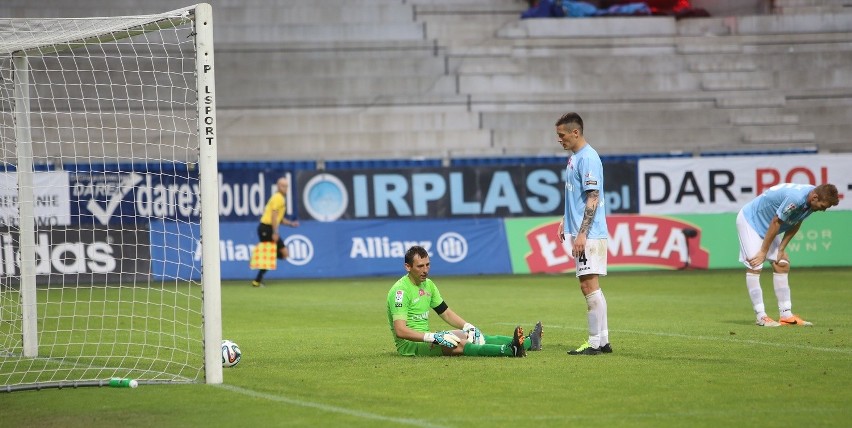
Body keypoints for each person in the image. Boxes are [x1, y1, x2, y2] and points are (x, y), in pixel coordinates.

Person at [386, 245, 542, 357]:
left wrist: (468, 326)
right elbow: (401, 331)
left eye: (427, 265)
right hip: (411, 346)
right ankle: (509, 350)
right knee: (459, 344)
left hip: (429, 338)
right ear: (407, 267)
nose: (425, 270)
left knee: (473, 336)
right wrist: (433, 337)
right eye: (420, 266)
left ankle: (530, 342)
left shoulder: (429, 285)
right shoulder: (400, 292)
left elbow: (445, 312)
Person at [736, 183, 839, 327]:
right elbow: (776, 222)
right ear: (815, 197)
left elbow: (796, 222)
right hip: (751, 221)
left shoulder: (811, 201)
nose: (823, 210)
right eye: (823, 206)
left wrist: (782, 248)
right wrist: (763, 252)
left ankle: (786, 314)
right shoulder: (796, 199)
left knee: (782, 264)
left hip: (767, 225)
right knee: (755, 264)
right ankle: (760, 316)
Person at [555, 112, 612, 356]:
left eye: (562, 135)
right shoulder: (576, 157)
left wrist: (581, 234)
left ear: (575, 132)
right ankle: (604, 340)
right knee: (591, 285)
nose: (559, 140)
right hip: (582, 230)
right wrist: (564, 220)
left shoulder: (588, 158)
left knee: (588, 286)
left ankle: (594, 342)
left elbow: (593, 197)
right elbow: (576, 196)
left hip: (588, 234)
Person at [251, 177, 299, 287]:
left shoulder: (279, 198)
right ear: (278, 186)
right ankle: (257, 280)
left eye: (286, 186)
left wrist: (291, 224)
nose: (285, 188)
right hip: (266, 228)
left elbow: (279, 218)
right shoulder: (278, 198)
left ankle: (258, 279)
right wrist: (275, 232)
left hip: (266, 228)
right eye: (283, 185)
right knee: (280, 254)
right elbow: (274, 216)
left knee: (279, 254)